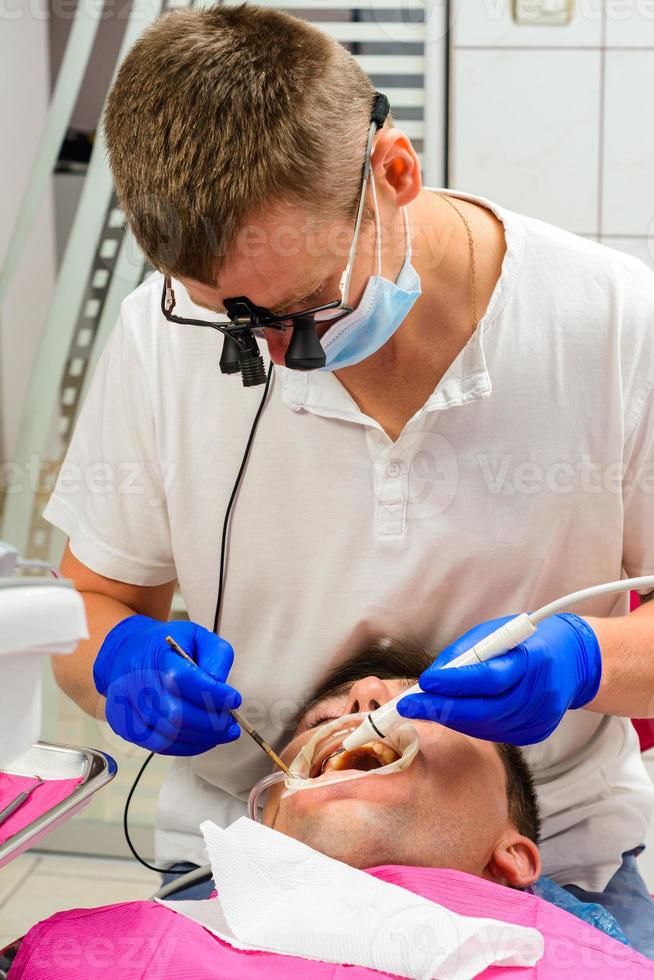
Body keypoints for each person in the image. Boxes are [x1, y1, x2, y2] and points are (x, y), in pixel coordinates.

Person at [44, 0, 654, 946]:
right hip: (241, 864)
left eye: (306, 309)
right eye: (236, 324)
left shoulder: (614, 326)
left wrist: (586, 662)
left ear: (394, 174)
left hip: (560, 863)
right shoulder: (155, 335)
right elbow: (89, 604)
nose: (281, 357)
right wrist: (117, 659)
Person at [8, 642, 653, 979]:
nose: (364, 698)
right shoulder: (91, 952)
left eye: (415, 705)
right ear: (267, 829)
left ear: (513, 857)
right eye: (321, 720)